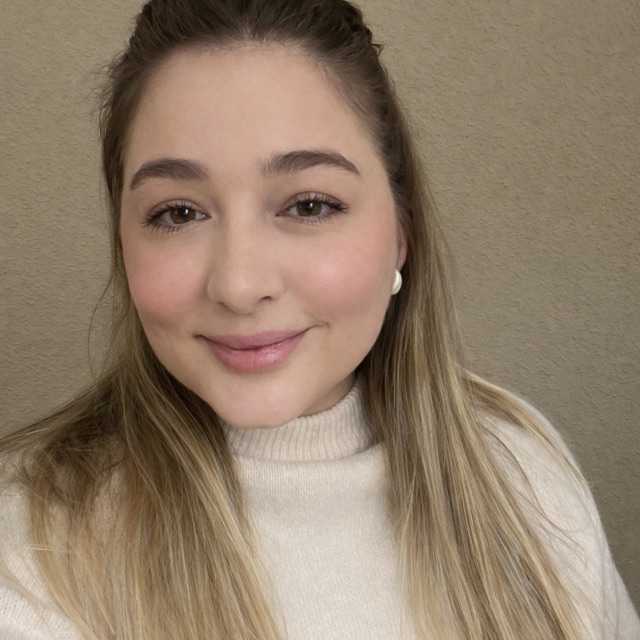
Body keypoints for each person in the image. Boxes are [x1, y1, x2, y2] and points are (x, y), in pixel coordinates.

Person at [1, 1, 638, 638]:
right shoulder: (25, 557)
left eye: (309, 205)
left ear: (401, 232)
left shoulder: (520, 466)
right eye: (178, 213)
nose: (240, 286)